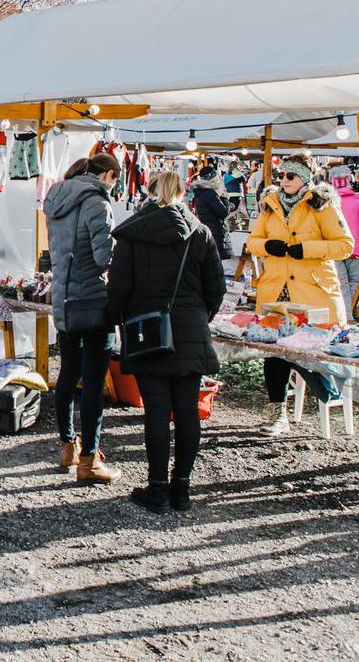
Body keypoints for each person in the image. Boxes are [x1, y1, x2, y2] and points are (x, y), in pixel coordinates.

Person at [107, 171, 226, 513]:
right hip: (190, 330)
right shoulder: (200, 233)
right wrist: (199, 319)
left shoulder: (132, 235)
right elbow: (215, 288)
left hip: (148, 332)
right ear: (183, 193)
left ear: (149, 192)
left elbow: (118, 288)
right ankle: (182, 490)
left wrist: (119, 320)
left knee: (157, 412)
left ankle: (158, 489)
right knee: (187, 411)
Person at [248, 157, 355, 436]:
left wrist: (307, 249)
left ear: (305, 178)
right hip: (276, 290)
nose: (285, 180)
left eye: (291, 176)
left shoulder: (321, 204)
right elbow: (252, 241)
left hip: (312, 293)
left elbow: (345, 245)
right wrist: (267, 245)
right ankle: (277, 412)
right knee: (274, 352)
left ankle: (328, 396)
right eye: (283, 175)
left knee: (309, 350)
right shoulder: (269, 205)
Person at [45, 152, 122, 484]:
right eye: (116, 180)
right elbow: (104, 256)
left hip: (64, 300)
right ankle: (89, 460)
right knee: (92, 382)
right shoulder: (97, 204)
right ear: (107, 175)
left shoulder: (57, 199)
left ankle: (67, 447)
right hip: (92, 301)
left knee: (66, 375)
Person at [328, 165, 359, 320]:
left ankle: (345, 315)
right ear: (349, 180)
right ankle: (347, 315)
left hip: (334, 247)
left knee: (340, 282)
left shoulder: (328, 203)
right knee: (353, 282)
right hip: (356, 248)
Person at [190, 165, 233, 264]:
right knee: (217, 261)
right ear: (213, 178)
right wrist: (225, 198)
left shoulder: (200, 192)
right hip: (216, 231)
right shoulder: (210, 193)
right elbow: (223, 212)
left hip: (208, 229)